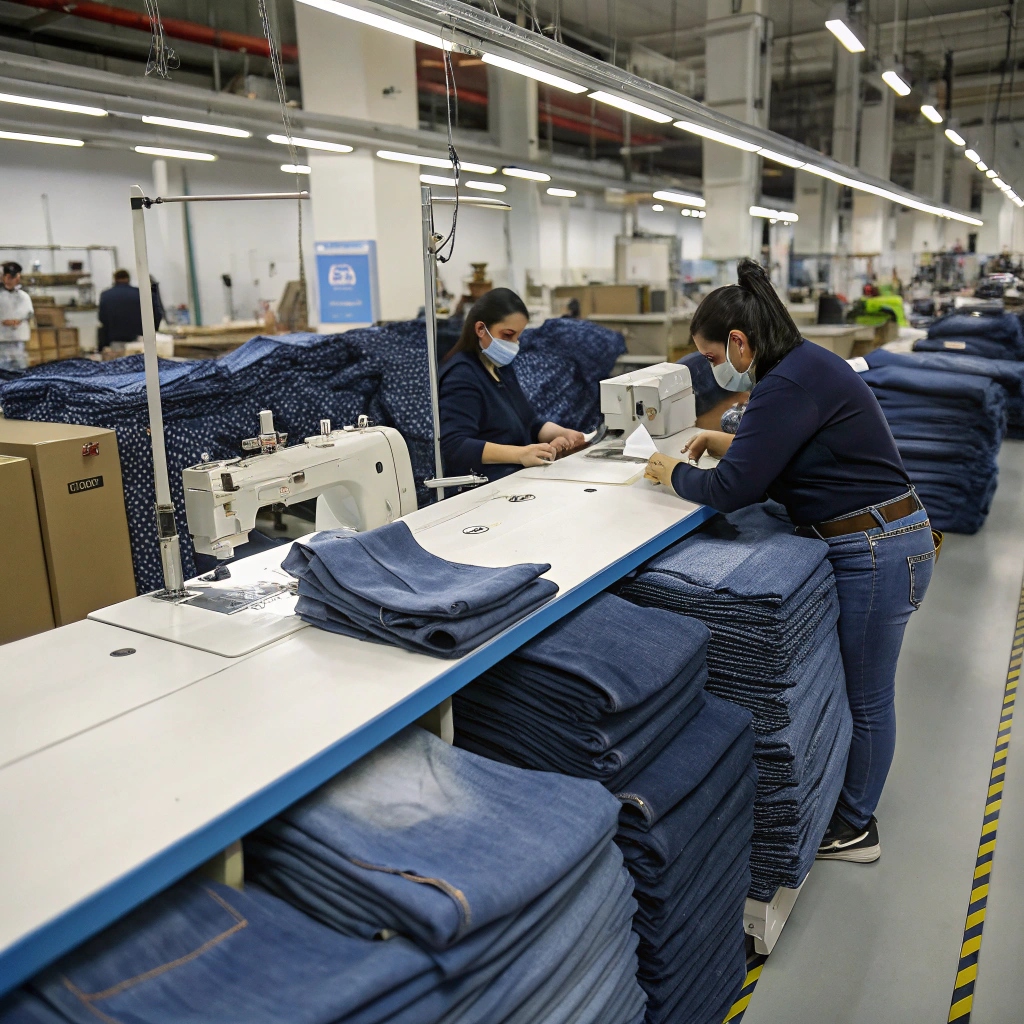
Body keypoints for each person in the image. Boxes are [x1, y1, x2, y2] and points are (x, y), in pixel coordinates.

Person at [644, 258, 935, 864]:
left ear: (739, 343)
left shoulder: (787, 384)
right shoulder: (803, 365)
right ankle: (848, 805)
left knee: (869, 698)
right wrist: (729, 442)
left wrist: (672, 472)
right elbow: (797, 449)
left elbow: (733, 490)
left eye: (710, 357)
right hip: (881, 538)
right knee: (864, 692)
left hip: (878, 549)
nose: (714, 370)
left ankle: (855, 827)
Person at [439, 288, 585, 482]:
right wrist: (520, 454)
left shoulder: (500, 367)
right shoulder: (461, 376)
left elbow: (529, 423)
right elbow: (455, 446)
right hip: (483, 487)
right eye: (507, 335)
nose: (514, 344)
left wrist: (561, 434)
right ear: (480, 329)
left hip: (515, 477)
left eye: (517, 336)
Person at [98, 269, 165, 349]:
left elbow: (102, 318)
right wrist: (153, 331)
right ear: (128, 279)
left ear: (114, 279)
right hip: (140, 340)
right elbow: (157, 314)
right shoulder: (141, 293)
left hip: (116, 341)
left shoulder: (106, 295)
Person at [0, 261, 33, 370]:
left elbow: (28, 313)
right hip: (2, 341)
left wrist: (17, 320)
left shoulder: (23, 296)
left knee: (20, 371)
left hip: (18, 341)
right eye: (8, 277)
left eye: (13, 277)